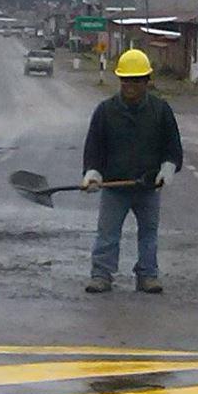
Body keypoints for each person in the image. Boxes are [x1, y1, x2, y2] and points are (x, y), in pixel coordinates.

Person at [81, 46, 183, 294]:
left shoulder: (161, 110)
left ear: (147, 81)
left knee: (149, 234)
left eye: (136, 80)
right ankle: (101, 275)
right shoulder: (105, 111)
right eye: (126, 80)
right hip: (114, 187)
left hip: (147, 186)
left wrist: (167, 169)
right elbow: (94, 147)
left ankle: (148, 275)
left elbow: (173, 148)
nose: (130, 85)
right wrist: (92, 173)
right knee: (107, 234)